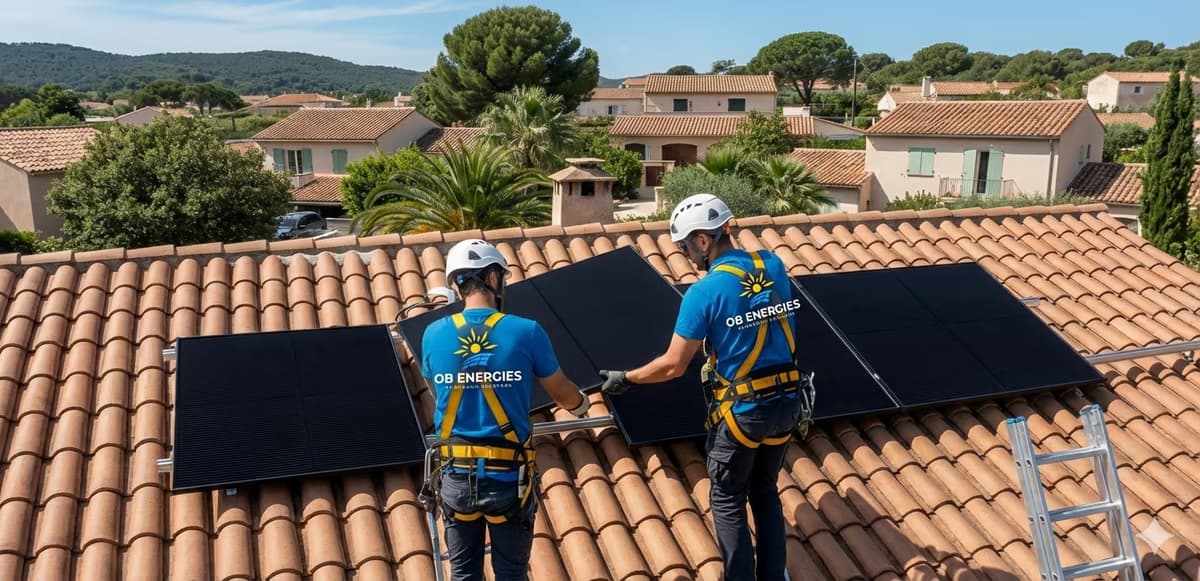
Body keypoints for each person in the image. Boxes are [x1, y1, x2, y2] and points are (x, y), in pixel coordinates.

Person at [598, 193, 815, 581]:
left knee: (728, 496)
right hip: (787, 406)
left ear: (703, 240)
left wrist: (626, 378)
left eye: (685, 247)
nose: (686, 256)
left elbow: (673, 365)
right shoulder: (775, 265)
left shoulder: (704, 293)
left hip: (744, 415)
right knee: (764, 490)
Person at [420, 239, 591, 581]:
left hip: (455, 476)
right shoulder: (525, 331)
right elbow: (560, 390)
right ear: (494, 278)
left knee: (464, 574)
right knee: (511, 572)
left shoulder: (433, 334)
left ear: (456, 283)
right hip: (508, 479)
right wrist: (581, 405)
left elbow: (436, 388)